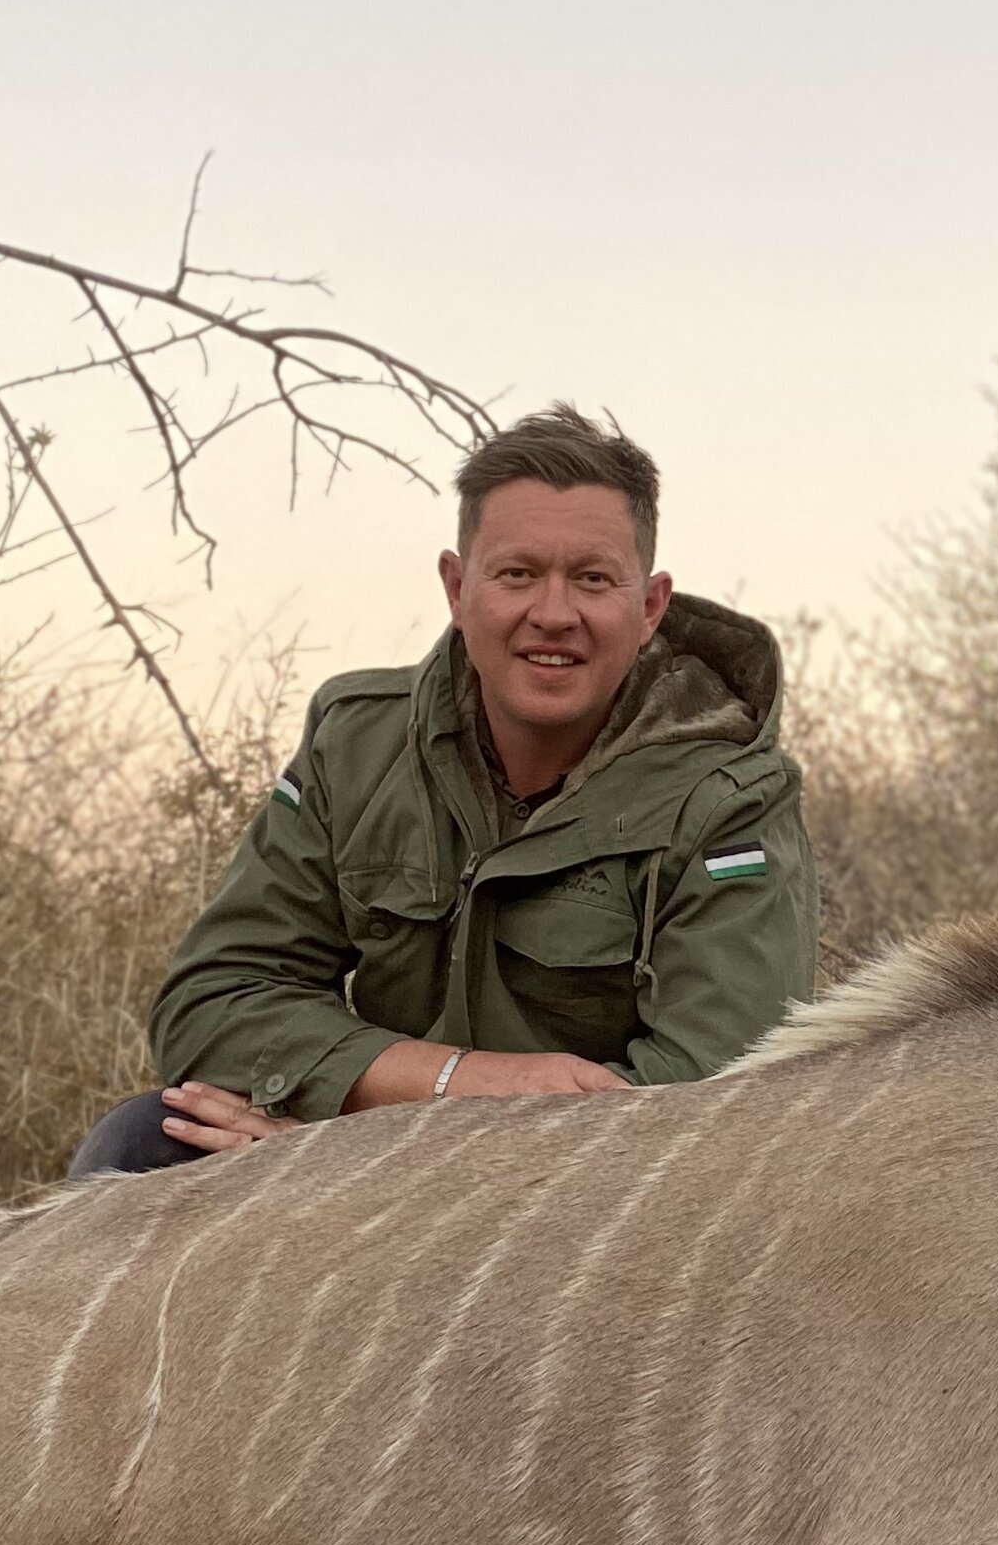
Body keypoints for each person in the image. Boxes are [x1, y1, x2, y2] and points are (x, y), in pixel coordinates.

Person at [70, 406, 813, 1177]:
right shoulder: (354, 741)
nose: (553, 615)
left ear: (649, 604)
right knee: (148, 1140)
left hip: (581, 1202)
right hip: (376, 1159)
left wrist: (373, 1155)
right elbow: (212, 1001)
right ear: (458, 588)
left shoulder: (732, 797)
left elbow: (719, 1112)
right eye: (517, 574)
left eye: (592, 579)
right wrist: (458, 1085)